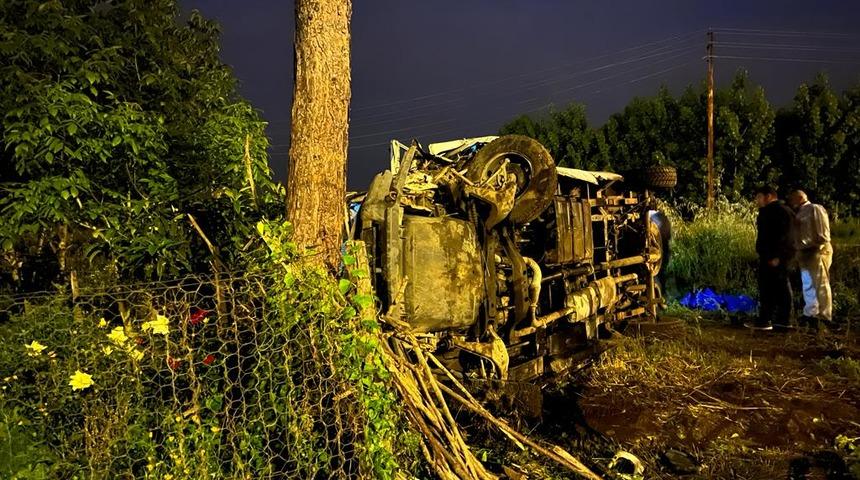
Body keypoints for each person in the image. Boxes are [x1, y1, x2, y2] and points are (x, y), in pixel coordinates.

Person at [748, 185, 795, 330]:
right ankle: (778, 320)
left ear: (768, 196)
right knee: (774, 287)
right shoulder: (784, 211)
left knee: (774, 288)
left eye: (759, 197)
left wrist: (776, 256)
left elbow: (783, 236)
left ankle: (772, 320)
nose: (757, 201)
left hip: (774, 257)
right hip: (776, 256)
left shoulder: (775, 211)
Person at [788, 190, 832, 328]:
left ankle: (825, 316)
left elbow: (823, 233)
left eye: (792, 199)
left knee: (821, 283)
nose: (791, 202)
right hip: (803, 252)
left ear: (800, 198)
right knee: (808, 283)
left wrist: (818, 247)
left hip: (816, 250)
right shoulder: (799, 213)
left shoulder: (814, 208)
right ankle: (811, 314)